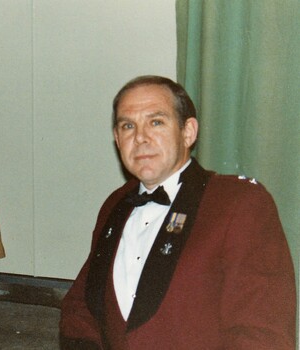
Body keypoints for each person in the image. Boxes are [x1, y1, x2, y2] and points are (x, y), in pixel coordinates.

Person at [59, 75, 296, 349]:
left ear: (188, 132)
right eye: (128, 126)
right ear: (116, 139)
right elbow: (82, 306)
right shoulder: (116, 204)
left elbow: (261, 332)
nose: (140, 138)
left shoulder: (239, 204)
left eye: (156, 122)